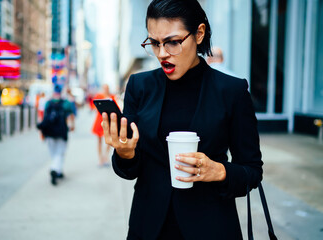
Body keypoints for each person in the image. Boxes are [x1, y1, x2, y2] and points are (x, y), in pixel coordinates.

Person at [101, 1, 263, 239]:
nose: (162, 53)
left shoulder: (232, 91)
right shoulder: (139, 86)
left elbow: (252, 172)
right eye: (154, 43)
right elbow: (129, 170)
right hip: (148, 226)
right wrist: (125, 154)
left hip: (211, 226)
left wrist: (218, 171)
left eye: (173, 42)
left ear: (199, 34)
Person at [38, 84, 75, 186]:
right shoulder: (66, 103)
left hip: (49, 132)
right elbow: (71, 115)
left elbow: (44, 119)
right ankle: (55, 170)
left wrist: (41, 132)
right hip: (61, 132)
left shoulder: (48, 103)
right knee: (60, 153)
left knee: (54, 153)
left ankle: (59, 171)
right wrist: (72, 126)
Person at [91, 84, 116, 167]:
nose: (106, 89)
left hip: (108, 121)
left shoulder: (112, 96)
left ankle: (105, 157)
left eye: (107, 88)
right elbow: (93, 106)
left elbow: (115, 107)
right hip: (99, 120)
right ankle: (100, 159)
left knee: (109, 140)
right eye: (104, 88)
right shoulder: (98, 96)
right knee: (99, 141)